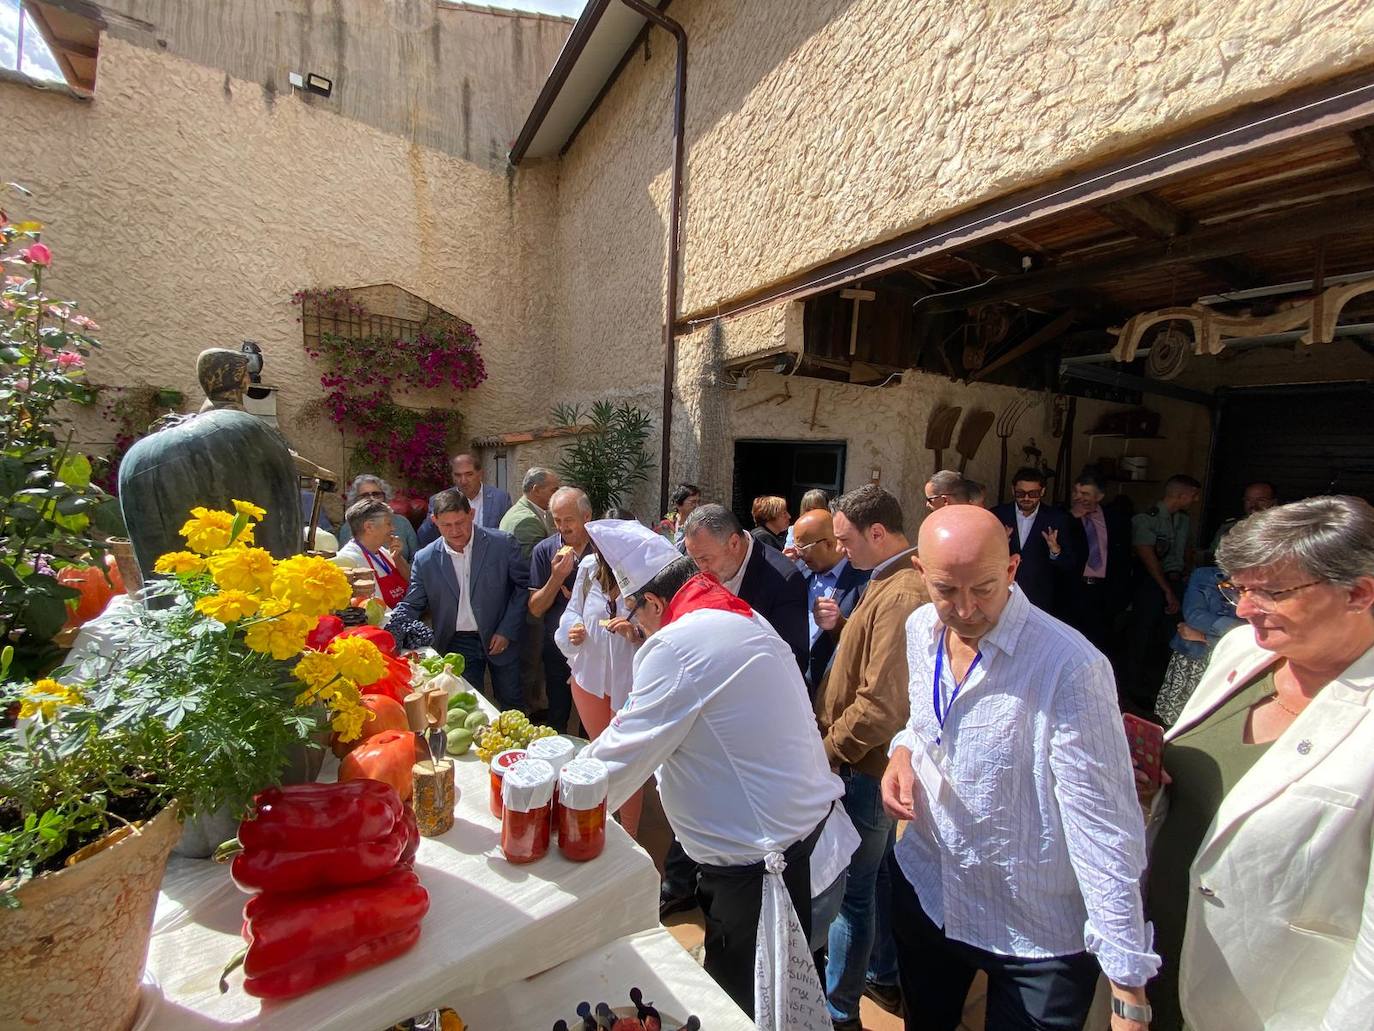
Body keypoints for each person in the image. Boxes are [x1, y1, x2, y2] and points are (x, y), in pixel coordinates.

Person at [883, 504, 1157, 1031]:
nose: (965, 609)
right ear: (921, 573)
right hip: (930, 888)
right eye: (946, 590)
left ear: (1011, 569)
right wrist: (902, 751)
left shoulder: (1070, 667)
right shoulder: (921, 628)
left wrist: (1127, 984)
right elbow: (925, 721)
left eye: (983, 588)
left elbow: (1103, 826)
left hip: (1033, 930)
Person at [581, 520, 854, 1018]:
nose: (634, 627)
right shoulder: (735, 614)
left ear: (655, 604)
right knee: (792, 998)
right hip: (812, 852)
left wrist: (542, 794)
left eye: (632, 613)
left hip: (773, 876)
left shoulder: (674, 647)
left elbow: (615, 763)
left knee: (743, 1012)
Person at [1140, 496, 1374, 1031]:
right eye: (1238, 588)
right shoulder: (1244, 649)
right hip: (1157, 961)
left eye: (1270, 591)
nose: (1243, 609)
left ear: (1358, 594)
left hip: (1262, 1004)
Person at [814, 485, 929, 1030]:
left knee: (850, 897)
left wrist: (830, 750)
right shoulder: (885, 580)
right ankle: (883, 974)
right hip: (865, 765)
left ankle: (838, 1010)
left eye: (845, 540)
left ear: (877, 533)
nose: (840, 552)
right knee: (877, 879)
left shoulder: (903, 593)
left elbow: (882, 704)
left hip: (863, 767)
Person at [388, 488, 527, 710]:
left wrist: (506, 629)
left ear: (471, 514)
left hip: (501, 636)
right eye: (446, 525)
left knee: (512, 700)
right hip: (457, 641)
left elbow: (522, 588)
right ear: (434, 521)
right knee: (470, 705)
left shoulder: (502, 544)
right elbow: (413, 603)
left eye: (460, 522)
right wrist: (387, 631)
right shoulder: (425, 559)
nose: (455, 531)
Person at [554, 522, 645, 835]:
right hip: (590, 678)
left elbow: (666, 624)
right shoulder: (590, 568)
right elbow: (572, 611)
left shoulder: (645, 571)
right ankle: (601, 824)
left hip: (630, 685)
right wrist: (573, 628)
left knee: (626, 764)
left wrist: (637, 633)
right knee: (600, 757)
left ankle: (630, 835)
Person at [682, 503, 809, 673]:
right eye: (695, 559)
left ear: (734, 543)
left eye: (706, 559)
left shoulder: (784, 580)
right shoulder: (699, 560)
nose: (700, 569)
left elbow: (793, 660)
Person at [1122, 473, 1202, 712]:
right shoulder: (1146, 520)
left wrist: (1186, 576)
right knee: (1141, 636)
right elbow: (1148, 558)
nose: (1195, 500)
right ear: (1181, 494)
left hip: (1176, 583)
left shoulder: (1183, 520)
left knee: (1168, 638)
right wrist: (1167, 591)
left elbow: (1186, 551)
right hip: (1152, 584)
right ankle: (1132, 691)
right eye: (1193, 495)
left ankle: (1159, 691)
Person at [527, 486, 593, 733]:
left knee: (591, 718)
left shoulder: (602, 549)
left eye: (569, 520)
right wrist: (556, 578)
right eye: (557, 520)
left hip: (593, 647)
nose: (562, 527)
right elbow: (535, 609)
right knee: (557, 713)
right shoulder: (544, 551)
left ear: (586, 517)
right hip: (557, 648)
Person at [500, 467, 560, 714]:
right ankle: (530, 711)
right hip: (528, 605)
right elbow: (532, 570)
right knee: (531, 660)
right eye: (553, 489)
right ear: (536, 490)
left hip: (521, 601)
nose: (556, 494)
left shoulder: (524, 512)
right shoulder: (526, 521)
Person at [1153, 564, 1243, 727]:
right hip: (1192, 662)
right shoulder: (1205, 575)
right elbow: (1194, 616)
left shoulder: (1264, 586)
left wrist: (1204, 636)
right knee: (1174, 724)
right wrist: (1238, 631)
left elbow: (1256, 633)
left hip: (1230, 666)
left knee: (1211, 725)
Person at [793, 508, 870, 695]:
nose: (798, 554)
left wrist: (837, 623)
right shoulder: (799, 572)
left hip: (830, 687)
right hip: (795, 679)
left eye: (802, 547)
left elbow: (866, 641)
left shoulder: (864, 580)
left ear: (827, 544)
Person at [991, 466, 1082, 619]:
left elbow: (1070, 564)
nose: (1026, 498)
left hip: (1040, 600)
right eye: (1021, 493)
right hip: (1002, 596)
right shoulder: (997, 515)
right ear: (1013, 490)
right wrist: (1000, 546)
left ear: (1042, 492)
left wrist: (1055, 551)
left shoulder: (1057, 519)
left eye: (1033, 493)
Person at [1065, 470, 1132, 653]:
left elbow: (1123, 558)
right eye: (1075, 492)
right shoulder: (1063, 516)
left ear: (1099, 496)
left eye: (1085, 493)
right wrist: (1072, 517)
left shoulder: (1115, 519)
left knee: (1101, 642)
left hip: (1104, 591)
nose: (1078, 497)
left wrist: (1122, 596)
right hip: (1074, 590)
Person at [417, 452, 513, 548]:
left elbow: (508, 533)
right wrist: (434, 519)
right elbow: (424, 537)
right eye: (458, 475)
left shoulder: (500, 499)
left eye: (469, 474)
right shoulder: (439, 500)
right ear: (453, 476)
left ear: (480, 474)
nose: (463, 481)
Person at [332, 498, 411, 608]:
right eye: (388, 523)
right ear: (369, 527)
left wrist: (397, 558)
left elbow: (411, 581)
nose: (393, 528)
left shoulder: (383, 551)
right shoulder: (350, 561)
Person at [336, 474, 419, 561]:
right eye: (365, 496)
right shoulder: (349, 528)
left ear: (385, 496)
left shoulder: (402, 522)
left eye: (376, 494)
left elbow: (416, 557)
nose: (372, 499)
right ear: (356, 501)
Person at [1206, 480, 1277, 559]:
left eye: (1261, 500)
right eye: (1248, 500)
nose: (1253, 505)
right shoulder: (1229, 527)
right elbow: (1213, 556)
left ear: (1273, 502)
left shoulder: (1284, 529)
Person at [669, 482, 702, 547]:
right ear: (678, 504)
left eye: (698, 502)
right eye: (693, 502)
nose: (697, 506)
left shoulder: (700, 526)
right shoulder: (666, 525)